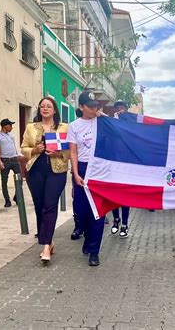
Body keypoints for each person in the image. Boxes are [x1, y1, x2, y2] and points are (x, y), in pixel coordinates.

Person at [21, 98, 69, 263]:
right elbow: (23, 148)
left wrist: (58, 154)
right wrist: (34, 150)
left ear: (55, 110)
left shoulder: (64, 127)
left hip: (57, 170)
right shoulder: (30, 127)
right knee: (39, 206)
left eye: (49, 106)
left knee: (50, 205)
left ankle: (46, 245)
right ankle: (49, 240)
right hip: (36, 170)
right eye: (42, 106)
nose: (45, 108)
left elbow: (70, 150)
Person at [67, 91, 105, 266]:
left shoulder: (102, 122)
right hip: (82, 168)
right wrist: (75, 173)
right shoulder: (74, 126)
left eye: (95, 106)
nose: (93, 109)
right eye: (90, 106)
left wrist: (101, 114)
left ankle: (94, 251)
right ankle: (88, 238)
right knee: (82, 211)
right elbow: (73, 151)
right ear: (81, 107)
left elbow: (119, 125)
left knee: (98, 212)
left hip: (99, 169)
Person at [109, 99, 132, 238]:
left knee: (125, 197)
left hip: (127, 166)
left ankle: (124, 223)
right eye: (118, 108)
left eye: (122, 108)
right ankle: (116, 219)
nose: (120, 110)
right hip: (112, 165)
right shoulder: (110, 123)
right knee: (113, 196)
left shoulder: (131, 125)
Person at [0, 118, 21, 208]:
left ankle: (17, 197)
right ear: (5, 126)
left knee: (19, 179)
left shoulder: (11, 136)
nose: (12, 127)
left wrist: (18, 156)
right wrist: (0, 162)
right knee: (4, 182)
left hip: (14, 160)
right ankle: (7, 200)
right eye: (10, 125)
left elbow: (14, 147)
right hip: (5, 161)